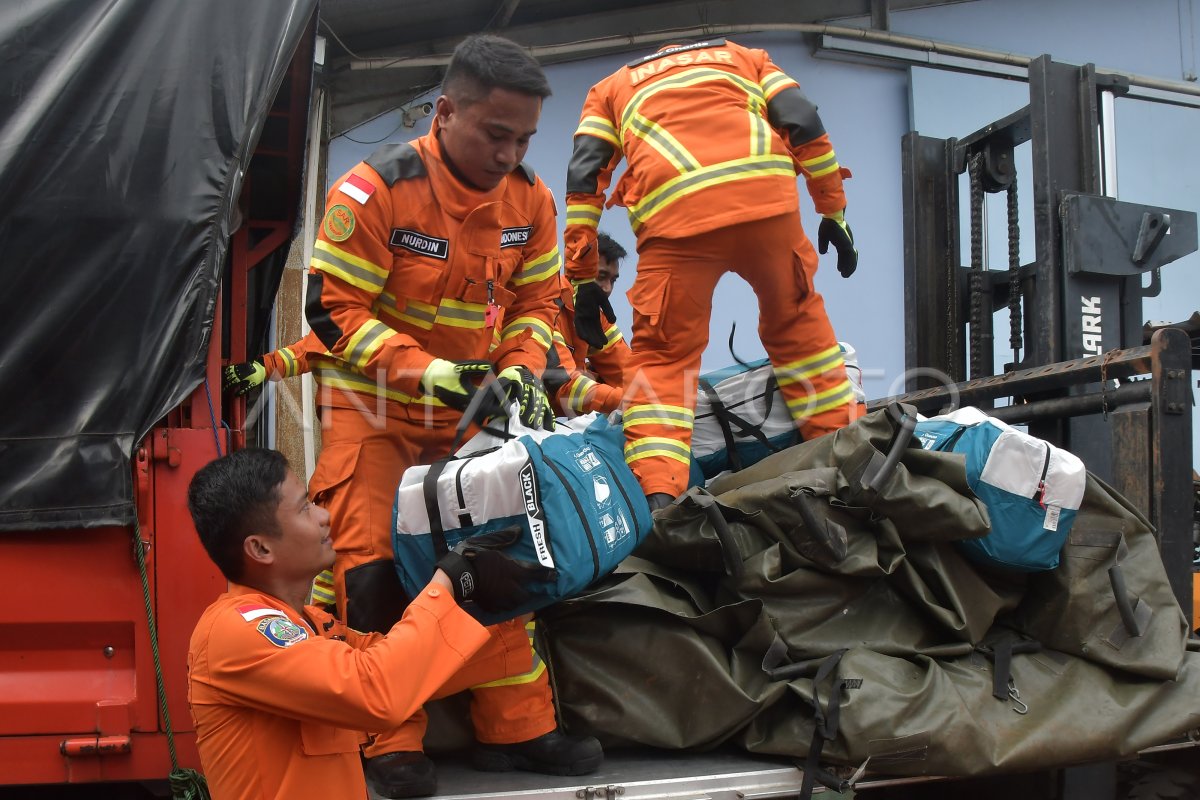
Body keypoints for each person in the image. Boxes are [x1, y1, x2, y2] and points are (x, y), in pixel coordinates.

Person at [302, 33, 601, 798]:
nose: (509, 153)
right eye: (495, 133)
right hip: (372, 416)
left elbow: (538, 304)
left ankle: (518, 727)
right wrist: (438, 373)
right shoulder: (375, 192)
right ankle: (384, 737)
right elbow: (333, 313)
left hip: (471, 416)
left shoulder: (530, 199)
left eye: (524, 138)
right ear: (444, 111)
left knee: (500, 559)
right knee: (367, 575)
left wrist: (519, 369)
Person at [563, 38, 859, 509]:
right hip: (767, 207)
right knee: (800, 329)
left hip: (675, 222)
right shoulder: (747, 58)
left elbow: (585, 174)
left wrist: (580, 276)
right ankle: (850, 462)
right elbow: (802, 120)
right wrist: (833, 209)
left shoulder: (609, 89)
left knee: (664, 362)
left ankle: (659, 501)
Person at [185, 447, 551, 800]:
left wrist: (509, 608)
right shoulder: (238, 630)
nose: (324, 516)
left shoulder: (313, 625)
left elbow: (399, 665)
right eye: (304, 508)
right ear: (261, 549)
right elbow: (377, 693)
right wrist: (447, 580)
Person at [543, 231, 632, 416]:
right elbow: (563, 384)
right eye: (601, 276)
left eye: (613, 280)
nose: (608, 288)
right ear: (580, 272)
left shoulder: (597, 316)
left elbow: (627, 370)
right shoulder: (547, 304)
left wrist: (661, 395)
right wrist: (634, 403)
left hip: (564, 420)